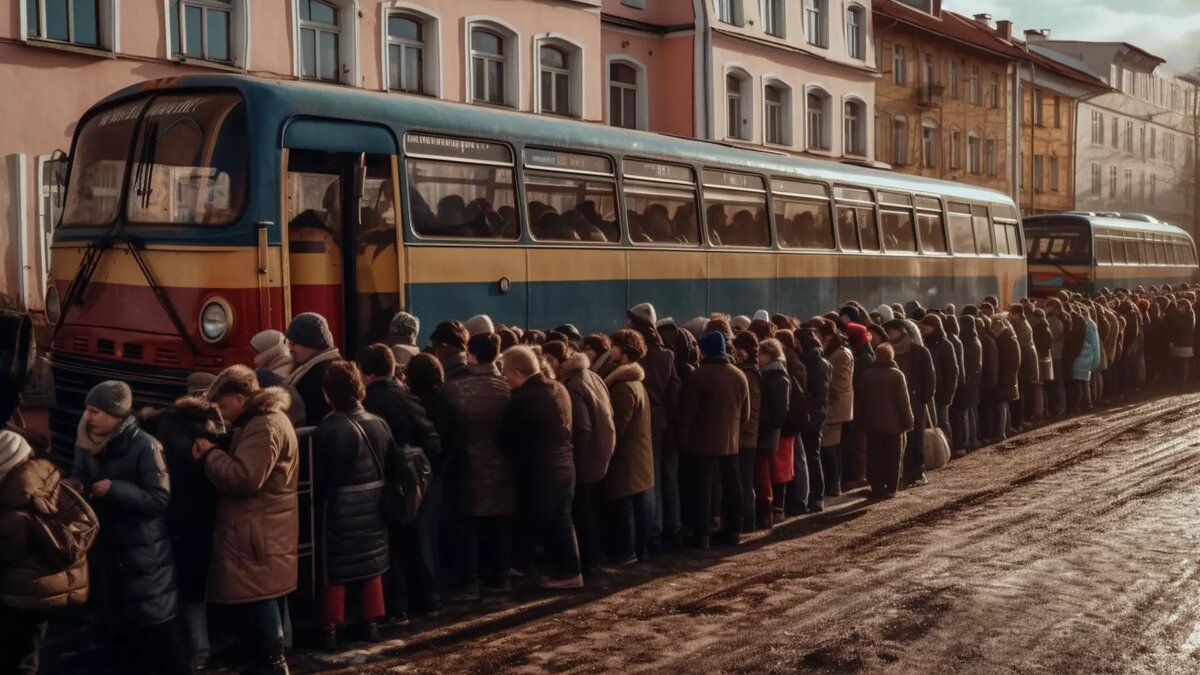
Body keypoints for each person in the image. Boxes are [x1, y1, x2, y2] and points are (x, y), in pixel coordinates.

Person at [70, 382, 188, 673]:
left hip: (145, 555)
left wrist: (114, 489)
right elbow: (79, 474)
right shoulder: (86, 440)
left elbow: (159, 499)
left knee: (158, 633)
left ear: (116, 414)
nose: (89, 417)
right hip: (109, 552)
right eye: (87, 410)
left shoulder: (146, 445)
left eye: (96, 411)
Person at [193, 366, 298, 674]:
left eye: (224, 407)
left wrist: (211, 455)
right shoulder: (266, 419)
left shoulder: (262, 426)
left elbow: (244, 478)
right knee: (266, 594)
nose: (222, 415)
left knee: (261, 594)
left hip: (258, 529)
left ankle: (273, 663)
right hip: (265, 526)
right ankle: (270, 660)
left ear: (241, 398)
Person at [358, 344, 445, 620]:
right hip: (419, 477)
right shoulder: (407, 396)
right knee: (419, 540)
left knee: (394, 545)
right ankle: (428, 599)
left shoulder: (370, 402)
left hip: (392, 480)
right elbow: (431, 439)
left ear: (367, 373)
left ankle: (399, 606)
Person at [309, 361, 391, 649]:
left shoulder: (327, 430)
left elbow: (320, 478)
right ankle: (370, 624)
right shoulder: (379, 423)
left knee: (335, 569)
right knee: (372, 563)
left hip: (339, 509)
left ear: (327, 394)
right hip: (374, 505)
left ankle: (329, 629)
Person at [0, 430, 96, 675]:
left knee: (18, 660)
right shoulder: (46, 478)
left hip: (20, 593)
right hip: (44, 592)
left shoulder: (13, 503)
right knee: (28, 654)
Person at [141, 394, 225, 671]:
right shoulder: (217, 431)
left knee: (183, 584)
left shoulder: (165, 429)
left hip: (180, 516)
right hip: (208, 514)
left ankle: (196, 649)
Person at [499, 346, 583, 589]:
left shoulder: (522, 400)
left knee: (533, 523)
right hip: (565, 468)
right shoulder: (559, 389)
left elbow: (505, 438)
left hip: (539, 473)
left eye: (505, 374)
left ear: (517, 372)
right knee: (562, 521)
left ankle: (550, 571)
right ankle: (569, 571)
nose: (504, 379)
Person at [444, 334, 513, 598]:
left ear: (470, 355)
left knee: (468, 524)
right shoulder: (506, 387)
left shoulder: (457, 389)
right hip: (502, 465)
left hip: (469, 465)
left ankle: (469, 581)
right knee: (499, 524)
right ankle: (499, 578)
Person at [543, 341, 615, 576]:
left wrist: (574, 459)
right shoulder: (590, 376)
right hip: (602, 452)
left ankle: (588, 562)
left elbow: (582, 428)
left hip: (586, 460)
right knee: (591, 510)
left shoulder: (573, 385)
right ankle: (593, 559)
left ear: (555, 360)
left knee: (582, 513)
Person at [676, 332, 749, 548]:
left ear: (705, 350)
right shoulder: (739, 375)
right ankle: (734, 530)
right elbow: (745, 414)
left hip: (702, 441)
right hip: (732, 440)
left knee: (703, 487)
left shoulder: (698, 376)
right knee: (733, 485)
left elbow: (686, 413)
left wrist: (685, 439)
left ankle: (702, 535)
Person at [626, 303, 681, 552]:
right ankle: (674, 527)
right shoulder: (667, 355)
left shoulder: (640, 357)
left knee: (653, 479)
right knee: (670, 476)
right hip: (667, 422)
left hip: (648, 422)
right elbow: (675, 390)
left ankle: (653, 532)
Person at [601, 330, 655, 564]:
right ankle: (639, 550)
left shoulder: (623, 387)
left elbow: (618, 426)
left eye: (614, 346)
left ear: (624, 350)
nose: (610, 350)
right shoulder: (636, 382)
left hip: (626, 458)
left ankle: (626, 552)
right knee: (638, 505)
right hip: (638, 456)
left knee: (624, 506)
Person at [853, 343, 914, 498]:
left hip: (873, 425)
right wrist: (909, 421)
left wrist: (860, 421)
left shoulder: (867, 375)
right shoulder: (897, 375)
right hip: (894, 425)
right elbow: (903, 403)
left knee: (875, 457)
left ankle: (877, 486)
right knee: (893, 458)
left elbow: (861, 401)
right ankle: (891, 488)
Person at [884, 320, 934, 487]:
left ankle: (917, 472)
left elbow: (929, 377)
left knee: (915, 438)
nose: (890, 336)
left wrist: (924, 399)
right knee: (899, 441)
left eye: (892, 332)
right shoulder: (887, 352)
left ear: (901, 332)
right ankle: (901, 474)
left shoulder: (919, 351)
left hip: (915, 401)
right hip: (894, 403)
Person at [756, 338, 791, 527]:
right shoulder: (770, 375)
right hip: (767, 431)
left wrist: (764, 420)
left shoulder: (777, 377)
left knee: (769, 473)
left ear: (770, 356)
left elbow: (780, 411)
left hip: (768, 431)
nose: (758, 357)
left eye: (761, 353)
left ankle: (770, 512)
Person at [285, 312, 341, 426]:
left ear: (312, 343)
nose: (291, 348)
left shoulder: (320, 374)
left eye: (294, 343)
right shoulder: (327, 366)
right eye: (289, 343)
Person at [818, 321, 854, 500]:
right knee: (832, 447)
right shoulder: (839, 351)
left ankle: (834, 484)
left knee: (830, 447)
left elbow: (839, 383)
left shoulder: (840, 354)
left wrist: (825, 393)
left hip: (835, 406)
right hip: (836, 405)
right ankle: (834, 483)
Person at [732, 332, 763, 532]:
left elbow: (751, 410)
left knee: (743, 480)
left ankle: (747, 522)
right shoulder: (750, 371)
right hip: (747, 435)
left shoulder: (749, 374)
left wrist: (743, 431)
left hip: (746, 436)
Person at [920, 314, 958, 445]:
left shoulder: (946, 345)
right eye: (923, 325)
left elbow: (952, 371)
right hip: (928, 392)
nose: (924, 328)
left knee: (942, 422)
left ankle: (946, 447)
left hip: (942, 392)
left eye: (928, 325)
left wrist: (948, 394)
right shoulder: (923, 344)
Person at [956, 315, 983, 454]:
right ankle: (973, 438)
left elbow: (967, 364)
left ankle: (967, 441)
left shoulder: (967, 342)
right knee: (971, 411)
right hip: (974, 381)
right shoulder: (975, 340)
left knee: (965, 412)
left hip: (968, 381)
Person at [991, 317, 1022, 439]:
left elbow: (1004, 362)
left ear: (1000, 324)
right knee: (1004, 406)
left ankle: (1000, 433)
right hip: (1010, 378)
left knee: (1001, 406)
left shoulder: (1004, 340)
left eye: (994, 326)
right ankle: (1005, 429)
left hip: (1004, 378)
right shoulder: (1010, 338)